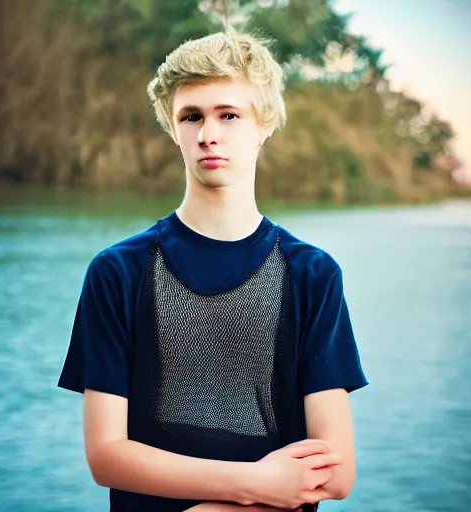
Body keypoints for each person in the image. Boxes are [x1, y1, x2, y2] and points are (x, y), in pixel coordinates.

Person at [58, 28, 368, 512]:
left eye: (229, 114)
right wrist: (253, 484)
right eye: (191, 116)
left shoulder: (312, 274)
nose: (208, 134)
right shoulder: (118, 272)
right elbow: (106, 456)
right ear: (172, 126)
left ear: (264, 123)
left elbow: (337, 470)